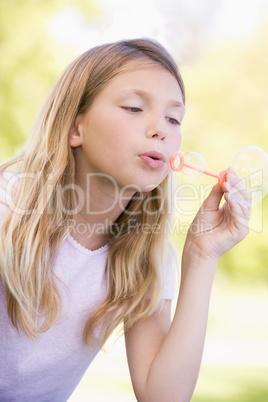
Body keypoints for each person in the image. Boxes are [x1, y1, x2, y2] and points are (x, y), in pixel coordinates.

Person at [0, 38, 250, 401]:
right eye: (135, 108)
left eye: (173, 118)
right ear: (75, 128)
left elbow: (162, 395)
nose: (161, 130)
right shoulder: (9, 205)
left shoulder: (144, 255)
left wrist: (201, 257)